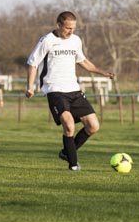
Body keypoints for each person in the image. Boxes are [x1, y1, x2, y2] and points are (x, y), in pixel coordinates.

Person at [26, 11, 114, 171]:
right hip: (54, 89)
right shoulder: (47, 41)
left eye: (73, 28)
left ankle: (66, 152)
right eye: (67, 28)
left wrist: (101, 71)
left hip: (74, 89)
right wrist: (30, 86)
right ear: (58, 25)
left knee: (93, 126)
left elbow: (83, 61)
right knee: (69, 124)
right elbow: (33, 64)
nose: (71, 31)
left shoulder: (75, 40)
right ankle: (73, 164)